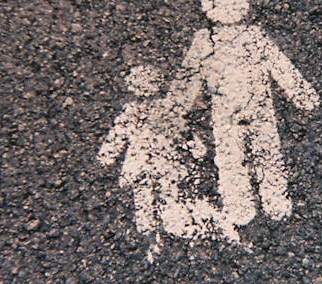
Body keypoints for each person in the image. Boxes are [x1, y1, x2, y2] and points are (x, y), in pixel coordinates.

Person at [169, 0, 319, 226]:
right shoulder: (208, 39)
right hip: (234, 109)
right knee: (241, 154)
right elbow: (189, 77)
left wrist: (174, 109)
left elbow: (279, 64)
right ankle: (253, 202)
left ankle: (264, 200)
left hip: (251, 106)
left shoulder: (250, 36)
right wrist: (303, 96)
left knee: (251, 152)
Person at [98, 65, 237, 259]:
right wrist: (198, 150)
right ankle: (168, 236)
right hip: (165, 166)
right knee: (162, 199)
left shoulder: (133, 112)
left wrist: (106, 157)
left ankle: (156, 240)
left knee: (147, 203)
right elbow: (186, 135)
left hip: (143, 166)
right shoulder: (165, 110)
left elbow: (116, 139)